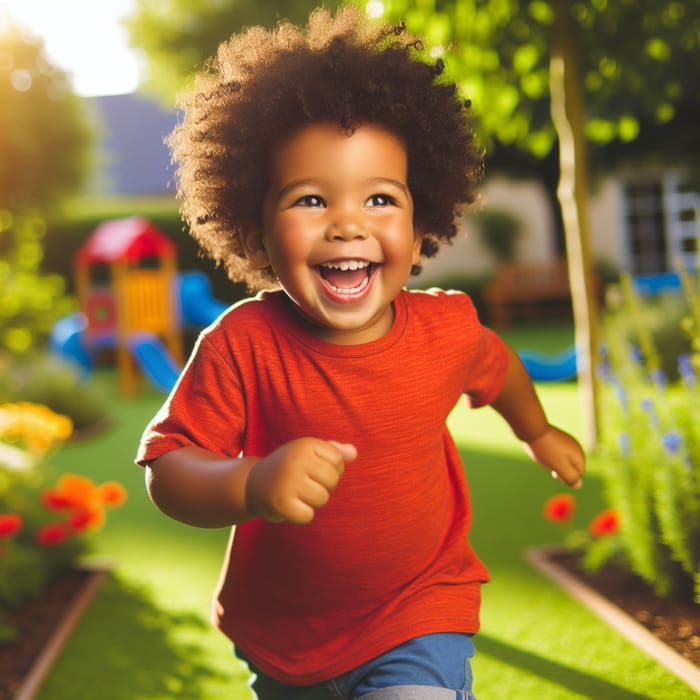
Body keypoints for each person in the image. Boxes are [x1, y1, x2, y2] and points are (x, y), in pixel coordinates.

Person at [136, 6, 585, 699]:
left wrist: (539, 430)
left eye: (380, 198)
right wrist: (251, 483)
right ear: (254, 231)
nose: (348, 222)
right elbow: (169, 471)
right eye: (311, 199)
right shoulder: (240, 346)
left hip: (419, 607)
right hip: (287, 636)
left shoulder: (447, 329)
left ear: (421, 217)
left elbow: (496, 367)